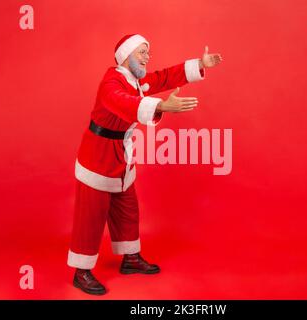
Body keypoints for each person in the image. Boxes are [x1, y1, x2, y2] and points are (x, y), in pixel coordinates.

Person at [67, 34, 222, 295]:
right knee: (90, 216)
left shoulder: (136, 81)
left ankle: (130, 258)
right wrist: (162, 105)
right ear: (125, 56)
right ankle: (81, 272)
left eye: (148, 52)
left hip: (121, 156)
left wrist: (200, 64)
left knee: (127, 209)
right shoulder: (111, 82)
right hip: (98, 156)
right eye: (142, 52)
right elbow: (122, 102)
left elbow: (163, 77)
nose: (147, 57)